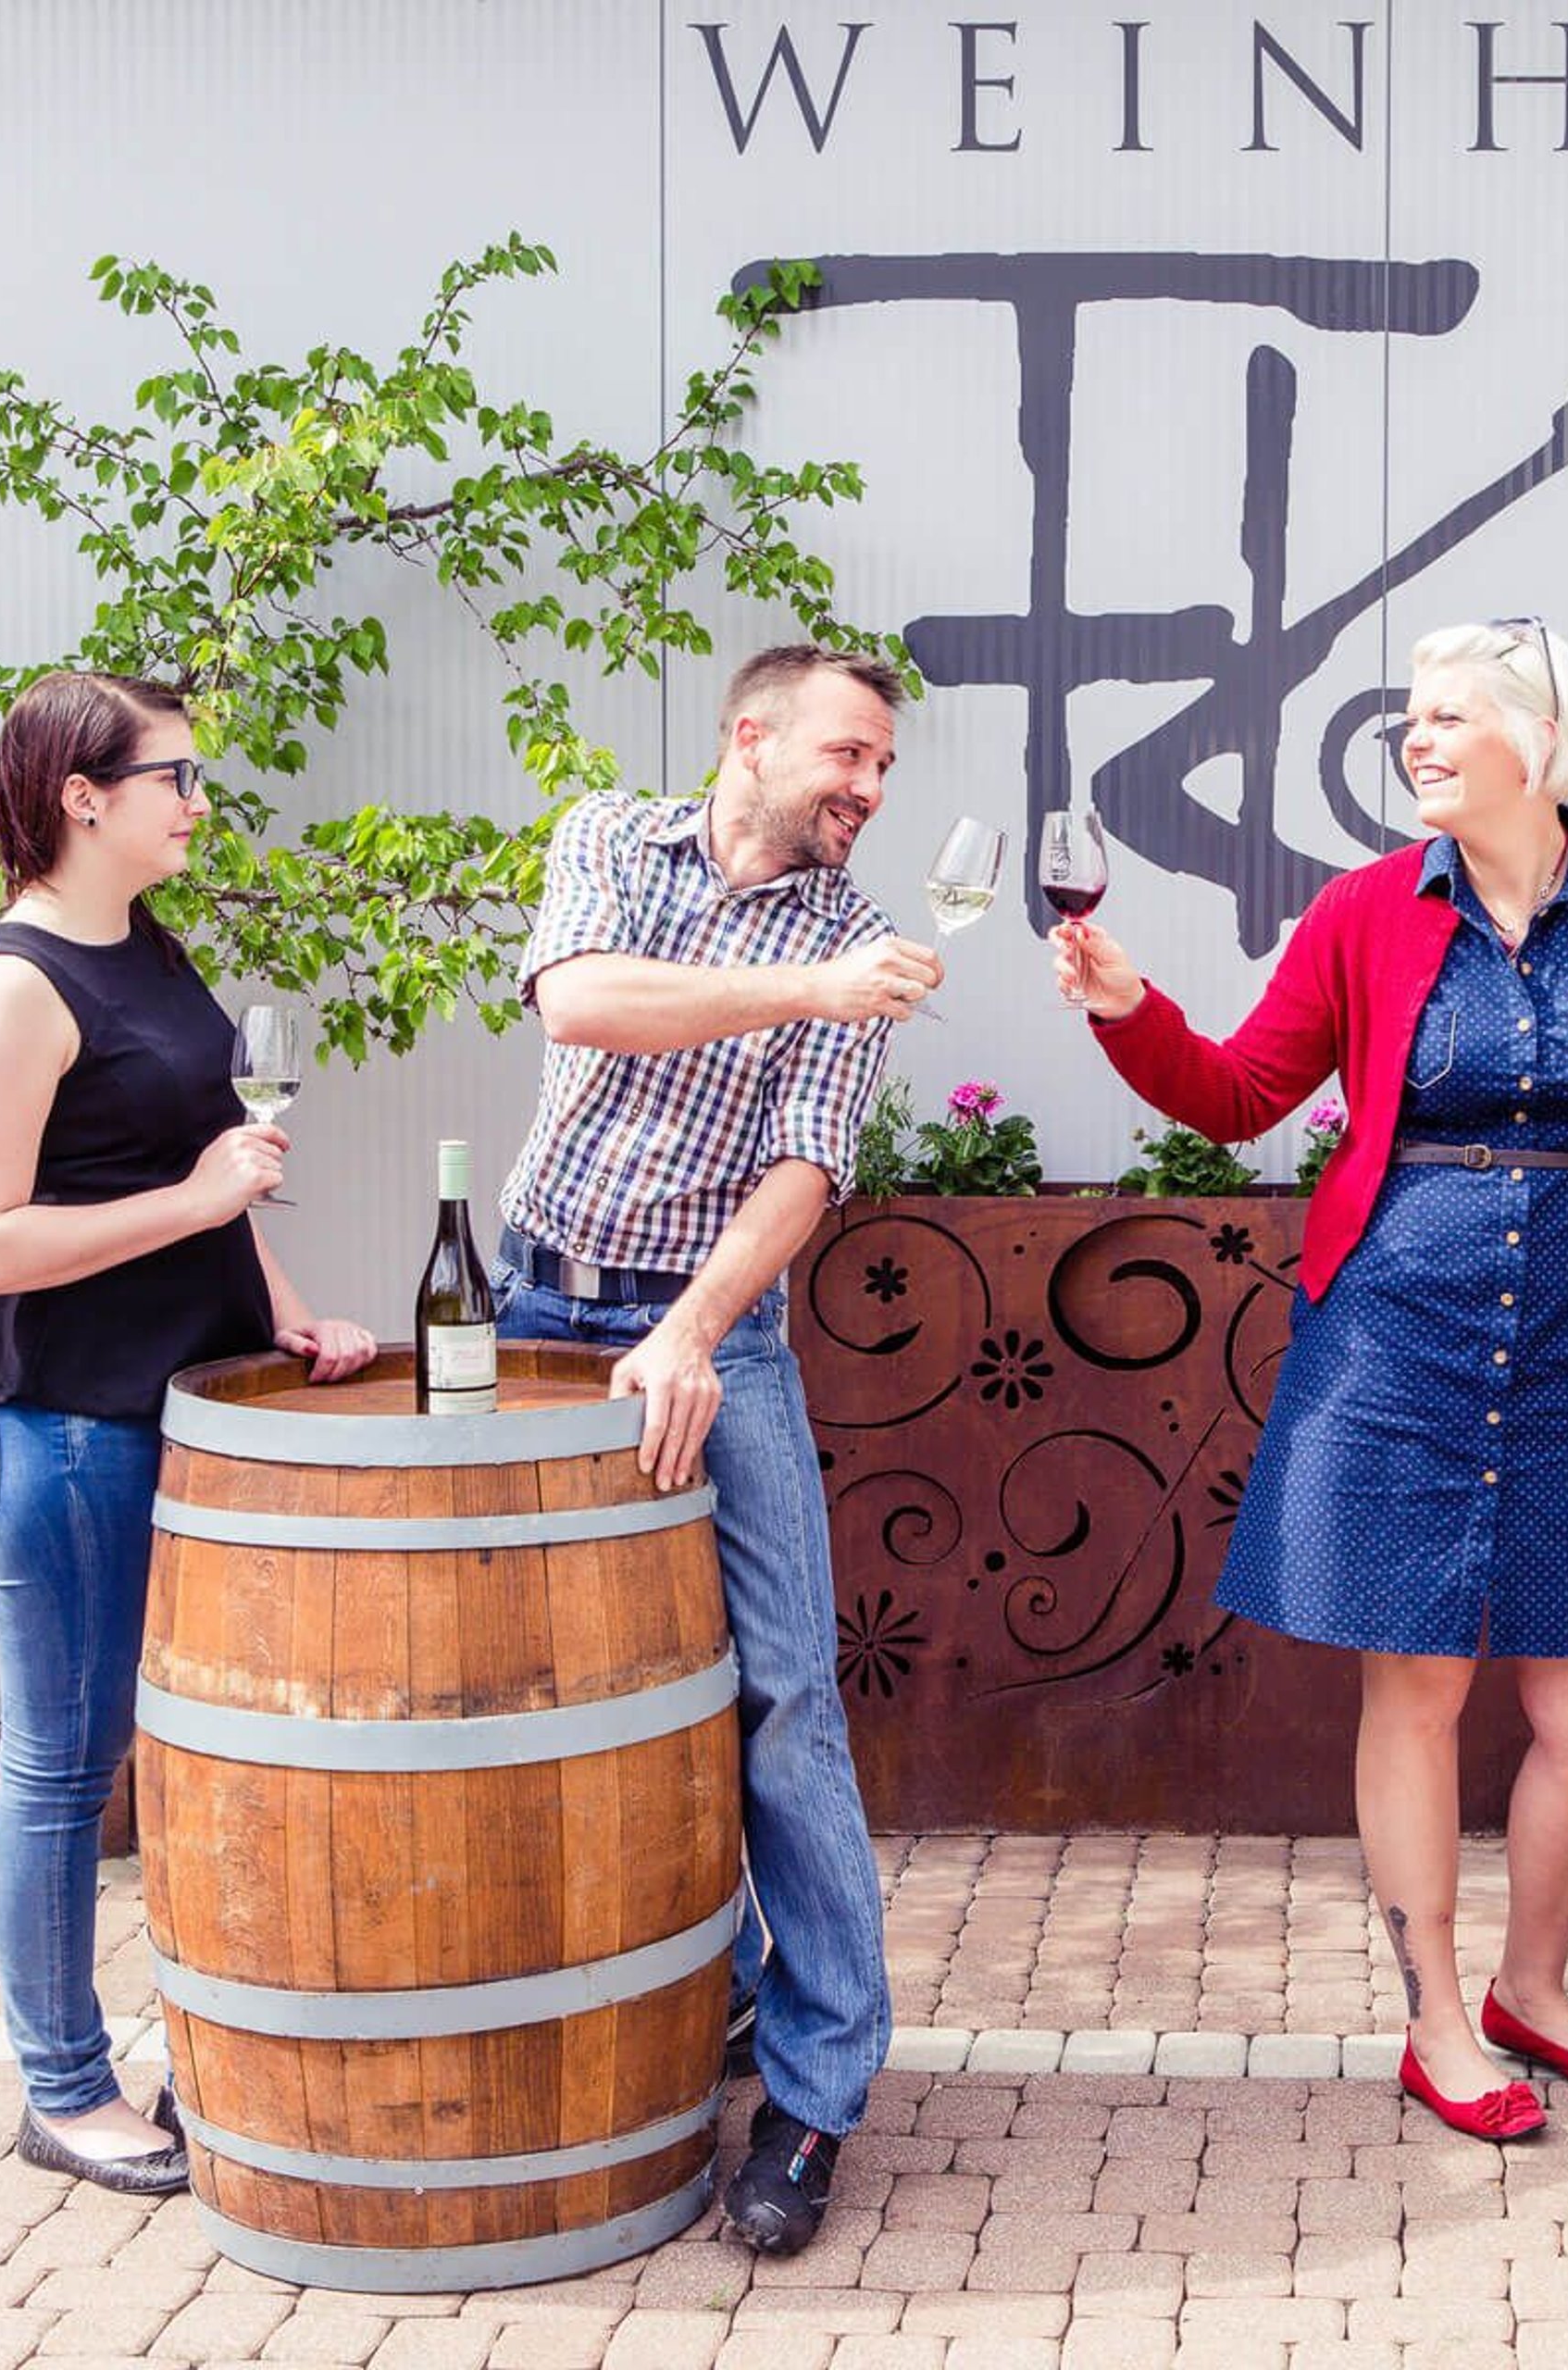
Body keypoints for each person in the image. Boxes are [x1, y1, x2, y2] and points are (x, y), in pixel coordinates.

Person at [1057, 619, 1568, 2141]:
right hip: (1395, 1335)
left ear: (1539, 735)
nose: (1417, 740)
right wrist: (1135, 1010)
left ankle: (1536, 1986)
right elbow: (1246, 1094)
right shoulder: (1366, 912)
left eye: (1449, 715)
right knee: (1423, 1686)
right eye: (1410, 717)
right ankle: (1438, 2021)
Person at [494, 642, 941, 2252]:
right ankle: (708, 1992)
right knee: (539, 1684)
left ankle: (817, 2097)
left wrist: (686, 1331)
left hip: (719, 1327)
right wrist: (804, 989)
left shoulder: (860, 938)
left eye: (885, 769)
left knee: (783, 1696)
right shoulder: (613, 841)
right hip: (534, 1303)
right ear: (749, 738)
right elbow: (585, 1003)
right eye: (848, 757)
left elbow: (804, 1172)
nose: (869, 791)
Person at [0, 671, 376, 2195]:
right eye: (176, 777)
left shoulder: (146, 948)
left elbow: (212, 1177)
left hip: (168, 1414)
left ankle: (185, 2053)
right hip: (49, 1429)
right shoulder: (12, 989)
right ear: (81, 797)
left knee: (156, 1752)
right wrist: (195, 1204)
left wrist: (290, 1309)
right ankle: (63, 2091)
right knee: (63, 1766)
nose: (198, 803)